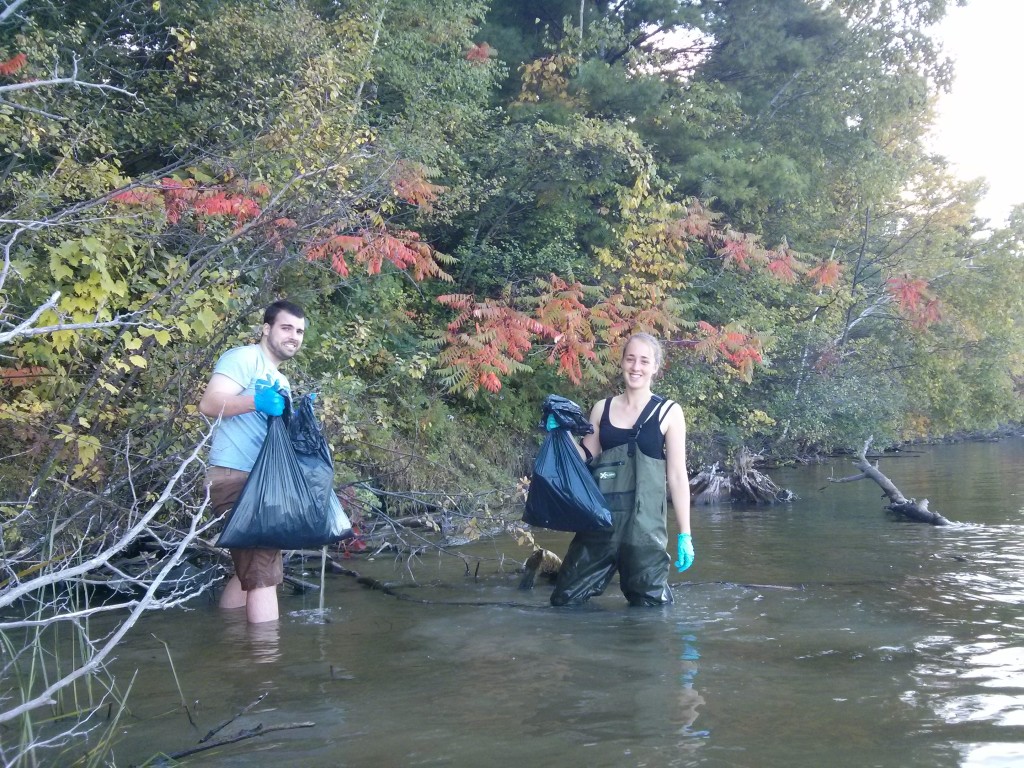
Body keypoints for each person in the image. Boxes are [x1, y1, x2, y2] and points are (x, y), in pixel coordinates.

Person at [550, 332, 694, 606]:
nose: (636, 367)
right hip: (599, 524)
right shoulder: (601, 409)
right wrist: (562, 432)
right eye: (630, 359)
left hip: (645, 531)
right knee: (565, 601)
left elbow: (677, 476)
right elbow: (585, 456)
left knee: (650, 610)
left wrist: (684, 533)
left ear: (655, 367)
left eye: (643, 361)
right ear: (622, 363)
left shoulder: (669, 412)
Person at [199, 300, 306, 623]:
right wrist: (255, 402)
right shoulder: (244, 358)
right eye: (286, 327)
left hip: (260, 483)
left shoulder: (281, 380)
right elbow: (210, 403)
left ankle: (228, 635)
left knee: (251, 567)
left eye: (299, 331)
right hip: (236, 479)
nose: (294, 336)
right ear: (266, 329)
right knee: (263, 573)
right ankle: (265, 665)